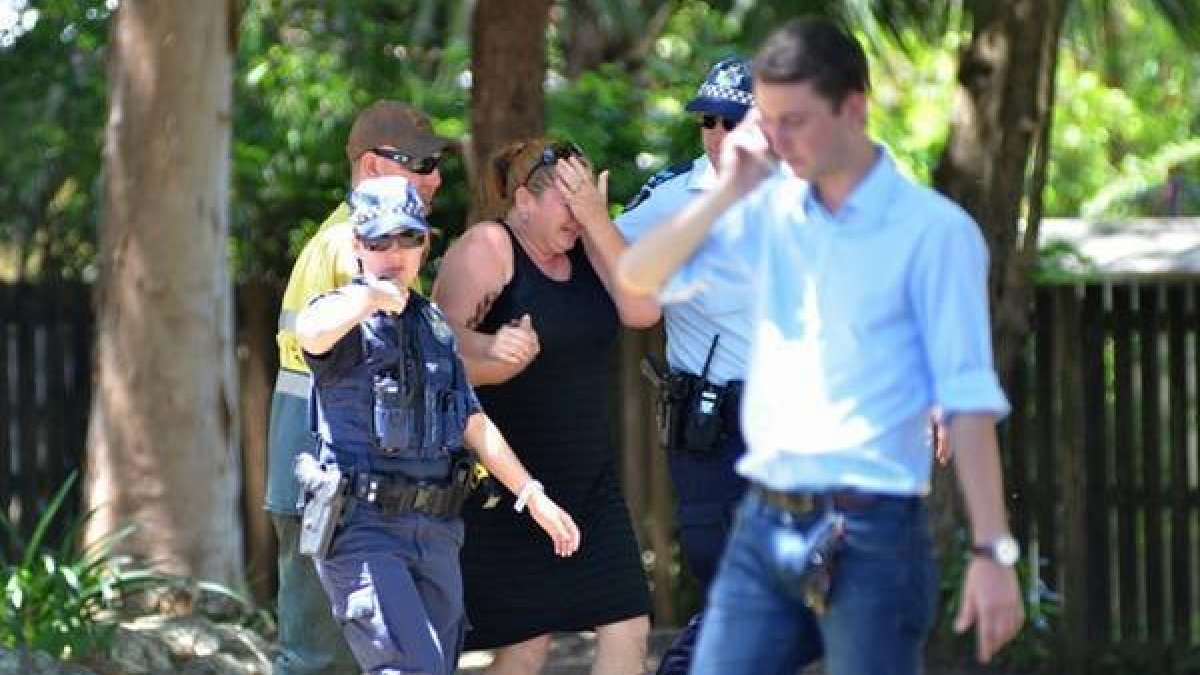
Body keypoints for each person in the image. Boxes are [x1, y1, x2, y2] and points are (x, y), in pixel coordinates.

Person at [618, 16, 1025, 675]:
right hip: (762, 517)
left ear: (853, 107)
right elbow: (638, 277)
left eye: (795, 119)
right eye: (768, 120)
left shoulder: (934, 232)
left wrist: (990, 550)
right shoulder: (766, 214)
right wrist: (726, 189)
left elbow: (969, 402)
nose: (777, 139)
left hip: (869, 527)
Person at [294, 175, 581, 675]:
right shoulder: (340, 315)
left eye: (406, 237)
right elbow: (311, 332)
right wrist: (369, 298)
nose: (393, 251)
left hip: (437, 532)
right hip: (364, 530)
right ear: (357, 245)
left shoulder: (432, 326)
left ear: (424, 244)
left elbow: (471, 420)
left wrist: (532, 494)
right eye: (378, 240)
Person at [432, 138, 659, 674]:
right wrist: (493, 349)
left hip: (589, 481)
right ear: (524, 202)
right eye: (566, 198)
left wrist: (597, 220)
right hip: (507, 481)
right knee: (525, 644)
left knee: (630, 624)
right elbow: (434, 351)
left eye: (586, 197)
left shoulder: (592, 243)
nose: (577, 212)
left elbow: (643, 308)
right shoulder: (489, 246)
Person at [264, 100, 448, 675]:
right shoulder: (354, 245)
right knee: (320, 658)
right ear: (371, 166)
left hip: (331, 475)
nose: (434, 177)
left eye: (437, 162)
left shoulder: (352, 237)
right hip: (326, 477)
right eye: (417, 162)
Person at [613, 56, 762, 675]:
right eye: (708, 122)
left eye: (734, 121)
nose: (718, 136)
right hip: (716, 429)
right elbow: (605, 259)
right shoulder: (674, 195)